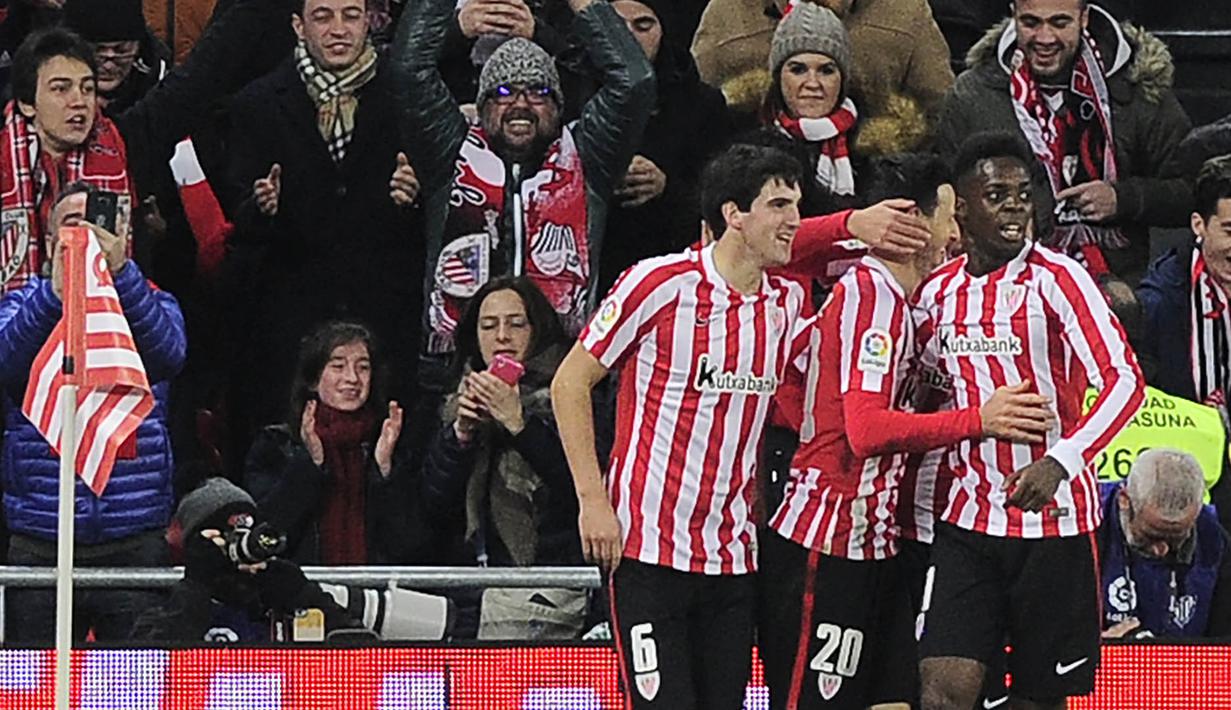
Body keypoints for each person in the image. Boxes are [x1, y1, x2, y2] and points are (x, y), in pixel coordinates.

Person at [759, 153, 1055, 709]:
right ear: (913, 224)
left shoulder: (911, 302)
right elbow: (867, 430)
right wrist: (979, 420)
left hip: (878, 538)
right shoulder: (872, 299)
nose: (957, 232)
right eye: (949, 216)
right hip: (828, 536)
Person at [551, 144, 808, 709]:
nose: (794, 220)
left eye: (796, 204)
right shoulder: (659, 284)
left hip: (733, 556)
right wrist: (592, 500)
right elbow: (569, 384)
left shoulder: (786, 303)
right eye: (779, 205)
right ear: (734, 214)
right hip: (646, 550)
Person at [914, 131, 1145, 710]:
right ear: (961, 207)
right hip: (966, 520)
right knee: (943, 692)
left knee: (1039, 700)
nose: (1016, 205)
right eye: (996, 194)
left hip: (1055, 525)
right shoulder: (935, 294)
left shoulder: (1058, 279)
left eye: (1023, 193)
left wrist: (1062, 462)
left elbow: (1124, 383)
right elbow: (924, 397)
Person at [389, 0, 655, 397]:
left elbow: (633, 82)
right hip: (455, 371)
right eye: (503, 91)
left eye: (539, 92)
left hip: (562, 374)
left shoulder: (588, 158)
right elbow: (409, 69)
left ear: (559, 106)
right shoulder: (449, 153)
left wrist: (585, 5)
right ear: (480, 107)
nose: (520, 104)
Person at [226, 0, 425, 432]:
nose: (339, 29)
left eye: (350, 15)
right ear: (299, 26)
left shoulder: (407, 100)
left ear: (369, 20)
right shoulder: (256, 105)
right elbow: (237, 222)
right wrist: (262, 208)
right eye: (323, 16)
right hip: (289, 328)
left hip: (382, 322)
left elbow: (431, 218)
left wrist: (413, 200)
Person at [0, 182, 186, 642]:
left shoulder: (151, 299)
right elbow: (7, 364)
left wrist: (119, 272)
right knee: (36, 689)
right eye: (71, 222)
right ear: (49, 239)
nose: (85, 232)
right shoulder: (22, 302)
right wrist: (55, 297)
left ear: (123, 234)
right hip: (42, 537)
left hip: (133, 537)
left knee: (135, 691)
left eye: (96, 221)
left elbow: (168, 353)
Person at [0, 1, 284, 295]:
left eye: (87, 87)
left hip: (114, 327)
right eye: (61, 88)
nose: (78, 101)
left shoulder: (128, 141)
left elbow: (204, 74)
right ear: (27, 102)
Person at [935, 0, 1192, 282]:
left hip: (1117, 281)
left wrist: (1123, 198)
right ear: (1013, 14)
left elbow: (1190, 192)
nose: (1045, 38)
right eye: (1031, 23)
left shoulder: (1138, 88)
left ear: (1084, 18)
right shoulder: (974, 94)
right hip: (1004, 281)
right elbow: (946, 196)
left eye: (1059, 23)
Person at [423, 276, 587, 640]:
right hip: (468, 592)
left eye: (516, 323)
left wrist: (519, 424)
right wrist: (461, 435)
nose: (502, 336)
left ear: (537, 328)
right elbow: (434, 506)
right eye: (489, 325)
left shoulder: (570, 390)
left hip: (544, 590)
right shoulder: (456, 397)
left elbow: (580, 488)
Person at [133, 477, 456, 643]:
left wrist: (304, 596)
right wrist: (199, 587)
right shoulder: (166, 605)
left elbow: (356, 649)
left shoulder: (278, 592)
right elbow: (149, 670)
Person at [243, 321, 431, 567]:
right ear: (313, 380)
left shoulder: (388, 444)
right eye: (338, 366)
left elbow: (409, 544)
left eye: (363, 367)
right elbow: (268, 533)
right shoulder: (277, 445)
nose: (352, 378)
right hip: (299, 596)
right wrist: (310, 463)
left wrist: (384, 470)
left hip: (372, 597)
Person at [590, 0, 731, 295]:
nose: (628, 38)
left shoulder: (702, 104)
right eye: (616, 26)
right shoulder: (571, 88)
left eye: (643, 26)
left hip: (673, 267)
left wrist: (666, 186)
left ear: (663, 31)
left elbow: (720, 200)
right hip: (590, 266)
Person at [691, 0, 954, 155]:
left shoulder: (903, 10)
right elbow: (694, 108)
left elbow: (939, 110)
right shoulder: (728, 12)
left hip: (876, 188)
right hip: (753, 185)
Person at [1098, 449, 1231, 639]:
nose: (1161, 550)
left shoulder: (1213, 540)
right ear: (1125, 501)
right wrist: (1100, 649)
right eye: (1150, 536)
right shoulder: (1083, 531)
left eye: (1177, 539)